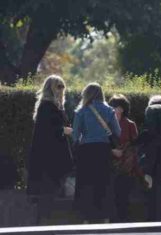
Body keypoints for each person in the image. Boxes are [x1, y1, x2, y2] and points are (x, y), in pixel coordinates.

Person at [27, 75, 73, 224]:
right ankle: (43, 226)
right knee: (48, 195)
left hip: (51, 159)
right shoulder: (47, 106)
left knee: (49, 195)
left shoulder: (54, 106)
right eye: (58, 86)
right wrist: (63, 130)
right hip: (49, 160)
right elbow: (48, 131)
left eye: (62, 86)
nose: (61, 90)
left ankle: (44, 225)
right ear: (50, 88)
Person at [72, 83, 121, 223]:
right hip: (104, 150)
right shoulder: (109, 110)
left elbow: (75, 134)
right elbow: (117, 132)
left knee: (86, 183)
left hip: (86, 150)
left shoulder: (81, 111)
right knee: (104, 182)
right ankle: (105, 217)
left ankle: (87, 218)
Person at [108, 94, 142, 222]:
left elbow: (135, 145)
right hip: (111, 163)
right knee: (112, 193)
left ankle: (123, 220)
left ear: (122, 109)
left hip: (126, 165)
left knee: (123, 194)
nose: (111, 109)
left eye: (114, 107)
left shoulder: (130, 124)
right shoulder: (108, 123)